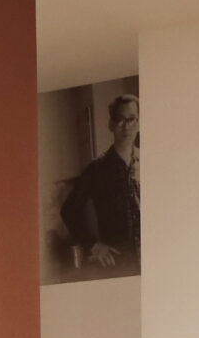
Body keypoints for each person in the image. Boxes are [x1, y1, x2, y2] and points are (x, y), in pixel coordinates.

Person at [58, 92, 139, 272]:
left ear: (139, 123)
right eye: (120, 120)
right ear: (111, 124)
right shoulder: (96, 169)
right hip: (119, 263)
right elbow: (68, 210)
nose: (126, 126)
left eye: (132, 119)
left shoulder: (149, 161)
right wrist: (93, 245)